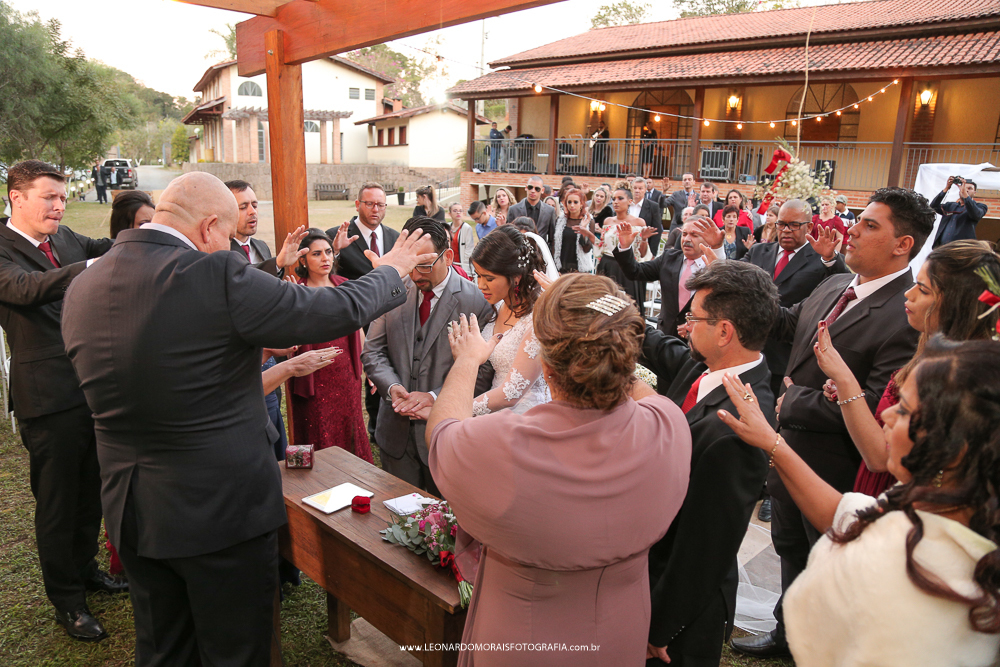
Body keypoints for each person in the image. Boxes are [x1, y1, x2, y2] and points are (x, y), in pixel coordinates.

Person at [61, 171, 436, 666]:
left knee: (164, 648)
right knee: (239, 651)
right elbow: (330, 309)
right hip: (219, 512)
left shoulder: (83, 283)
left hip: (132, 508)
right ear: (210, 226)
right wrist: (393, 270)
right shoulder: (212, 274)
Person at [427, 273, 693, 667]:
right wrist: (601, 336)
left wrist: (468, 359)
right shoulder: (668, 425)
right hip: (621, 630)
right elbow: (641, 391)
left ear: (547, 367)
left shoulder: (500, 445)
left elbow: (442, 432)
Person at [731, 187, 934, 659]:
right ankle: (787, 632)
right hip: (789, 454)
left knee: (826, 559)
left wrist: (790, 402)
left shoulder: (905, 315)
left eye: (869, 225)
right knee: (788, 547)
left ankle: (821, 646)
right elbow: (787, 324)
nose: (853, 231)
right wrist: (732, 285)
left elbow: (875, 408)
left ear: (902, 245)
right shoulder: (833, 284)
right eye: (857, 221)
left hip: (836, 466)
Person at [718, 336, 1000, 667]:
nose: (888, 415)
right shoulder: (952, 515)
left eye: (905, 409)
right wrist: (770, 440)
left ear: (952, 448)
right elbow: (841, 512)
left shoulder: (909, 572)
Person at [0, 160, 118, 641]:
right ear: (17, 198)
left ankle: (86, 569)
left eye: (63, 197)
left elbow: (108, 248)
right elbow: (24, 290)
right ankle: (67, 602)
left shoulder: (66, 238)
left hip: (93, 388)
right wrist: (87, 268)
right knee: (57, 502)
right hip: (46, 399)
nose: (59, 205)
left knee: (91, 489)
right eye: (49, 196)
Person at [641, 261, 778, 667]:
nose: (685, 325)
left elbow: (703, 550)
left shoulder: (738, 429)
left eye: (694, 317)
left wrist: (659, 627)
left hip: (682, 615)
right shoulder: (710, 367)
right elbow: (660, 348)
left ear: (725, 331)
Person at [815, 240, 1000, 498]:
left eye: (923, 290)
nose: (908, 294)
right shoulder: (927, 349)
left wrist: (844, 379)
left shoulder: (955, 377)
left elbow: (880, 456)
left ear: (956, 304)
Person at [362, 217, 493, 493]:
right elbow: (373, 351)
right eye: (410, 266)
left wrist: (435, 397)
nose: (416, 275)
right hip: (394, 435)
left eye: (424, 265)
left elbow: (483, 372)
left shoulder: (477, 301)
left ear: (448, 256)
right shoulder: (392, 291)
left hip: (445, 438)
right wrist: (393, 386)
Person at [739, 200, 848, 398]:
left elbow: (843, 284)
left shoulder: (821, 258)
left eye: (794, 225)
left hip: (786, 358)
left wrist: (830, 259)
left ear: (810, 226)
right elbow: (735, 277)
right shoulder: (758, 252)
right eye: (781, 224)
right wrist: (718, 255)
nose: (786, 230)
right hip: (747, 352)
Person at [325, 182, 400, 447]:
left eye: (381, 204)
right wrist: (335, 250)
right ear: (358, 204)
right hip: (357, 320)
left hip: (392, 316)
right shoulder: (337, 236)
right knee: (367, 370)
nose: (375, 209)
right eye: (370, 203)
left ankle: (386, 421)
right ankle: (371, 427)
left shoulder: (394, 237)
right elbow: (323, 272)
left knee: (390, 368)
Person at [289, 228, 372, 462]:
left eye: (328, 252)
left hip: (346, 371)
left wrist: (368, 366)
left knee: (350, 424)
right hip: (313, 375)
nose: (325, 258)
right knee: (318, 427)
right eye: (317, 254)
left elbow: (358, 329)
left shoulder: (344, 285)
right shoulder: (296, 290)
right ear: (303, 259)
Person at [468, 225, 550, 415]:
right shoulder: (496, 306)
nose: (480, 285)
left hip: (525, 417)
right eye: (478, 276)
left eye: (488, 278)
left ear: (516, 277)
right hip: (492, 411)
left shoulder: (538, 319)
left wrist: (458, 410)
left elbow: (510, 394)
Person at [614, 215, 725, 339]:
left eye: (694, 235)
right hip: (665, 336)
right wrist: (625, 247)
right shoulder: (669, 258)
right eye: (684, 234)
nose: (687, 239)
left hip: (698, 340)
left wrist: (718, 248)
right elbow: (634, 271)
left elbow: (724, 298)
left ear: (707, 240)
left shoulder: (714, 266)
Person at [597, 186, 654, 309]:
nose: (615, 202)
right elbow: (601, 246)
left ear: (630, 201)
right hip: (608, 265)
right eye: (613, 199)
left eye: (620, 198)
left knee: (628, 305)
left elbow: (643, 254)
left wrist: (644, 239)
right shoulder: (607, 221)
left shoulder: (639, 222)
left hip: (628, 267)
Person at [227, 179, 297, 277]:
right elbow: (242, 279)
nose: (252, 212)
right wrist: (276, 263)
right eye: (243, 207)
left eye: (254, 206)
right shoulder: (220, 250)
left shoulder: (262, 246)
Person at [931, 175, 987, 247]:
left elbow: (976, 214)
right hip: (943, 247)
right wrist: (947, 188)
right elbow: (933, 207)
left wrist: (966, 196)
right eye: (964, 188)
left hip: (961, 249)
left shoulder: (980, 206)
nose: (966, 190)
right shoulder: (950, 206)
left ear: (974, 192)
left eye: (970, 188)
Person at [553, 187, 596, 274]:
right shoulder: (560, 220)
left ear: (581, 204)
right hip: (562, 269)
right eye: (569, 202)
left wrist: (583, 230)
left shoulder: (589, 221)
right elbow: (555, 244)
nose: (572, 205)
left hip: (581, 270)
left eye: (575, 202)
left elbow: (587, 249)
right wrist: (555, 268)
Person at [508, 176, 555, 251]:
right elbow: (509, 236)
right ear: (526, 188)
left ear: (542, 190)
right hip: (519, 254)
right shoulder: (513, 209)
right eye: (530, 187)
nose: (533, 191)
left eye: (537, 189)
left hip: (541, 255)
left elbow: (552, 239)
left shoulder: (550, 211)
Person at [629, 176, 663, 257]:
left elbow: (656, 230)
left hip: (643, 249)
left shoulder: (653, 206)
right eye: (635, 188)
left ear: (645, 190)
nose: (637, 191)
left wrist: (652, 254)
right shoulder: (625, 204)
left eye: (640, 188)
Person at [448, 202, 478, 277]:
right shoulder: (448, 227)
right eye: (455, 210)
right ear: (450, 213)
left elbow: (469, 250)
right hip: (450, 264)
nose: (458, 212)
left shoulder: (466, 228)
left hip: (462, 266)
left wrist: (465, 270)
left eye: (460, 210)